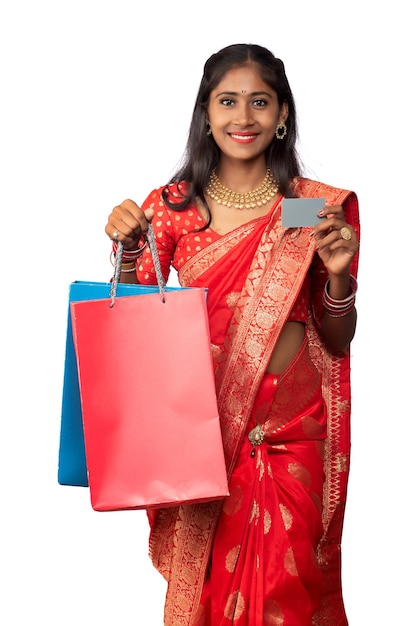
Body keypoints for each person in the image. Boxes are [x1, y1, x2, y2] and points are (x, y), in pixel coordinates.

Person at [105, 43, 360, 626]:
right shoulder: (173, 208)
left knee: (285, 598)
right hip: (200, 437)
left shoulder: (301, 209)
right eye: (227, 101)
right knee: (212, 597)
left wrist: (340, 275)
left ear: (282, 114)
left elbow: (338, 337)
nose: (243, 118)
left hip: (290, 435)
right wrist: (127, 248)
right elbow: (133, 318)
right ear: (205, 112)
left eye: (260, 102)